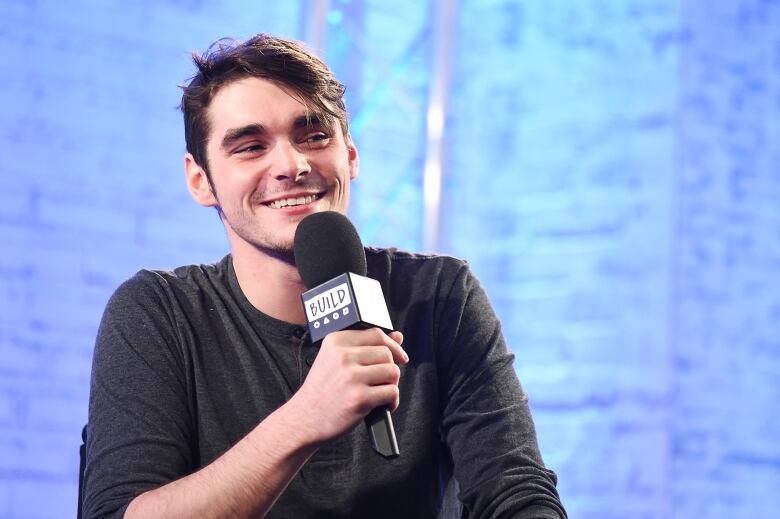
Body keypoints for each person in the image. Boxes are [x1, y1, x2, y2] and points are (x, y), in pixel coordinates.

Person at [83, 34, 566, 519]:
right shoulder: (159, 314)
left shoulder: (439, 295)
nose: (292, 165)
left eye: (314, 137)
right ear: (200, 180)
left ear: (350, 155)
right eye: (250, 147)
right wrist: (305, 418)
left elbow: (516, 492)